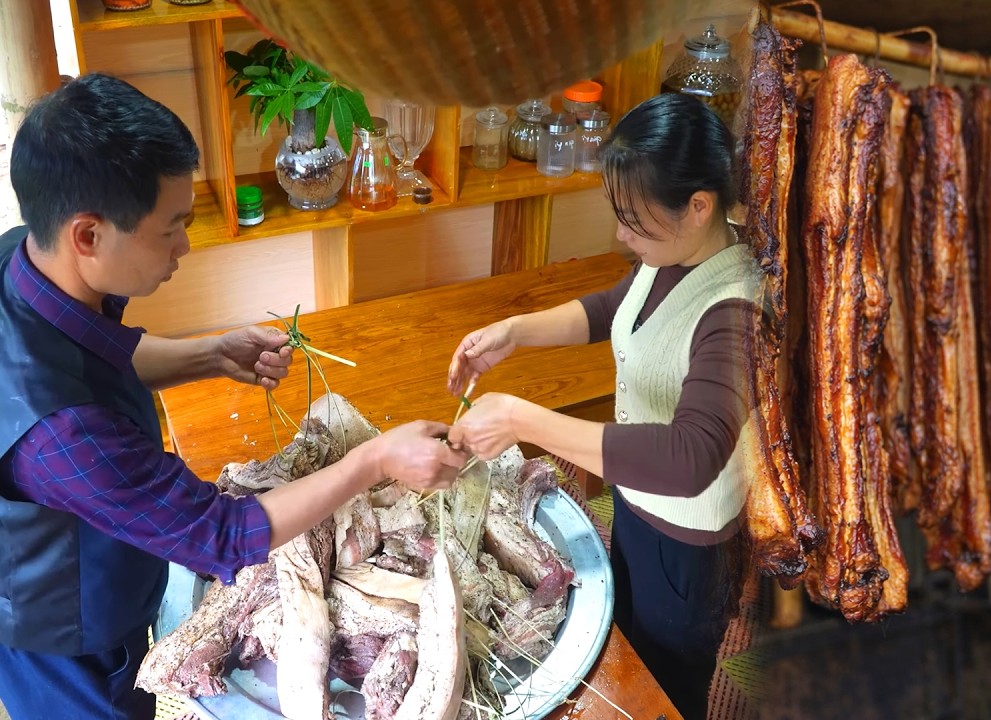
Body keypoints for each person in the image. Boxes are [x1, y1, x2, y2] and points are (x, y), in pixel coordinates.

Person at [0, 73, 469, 720]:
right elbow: (224, 535)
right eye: (170, 230)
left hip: (82, 555)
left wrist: (210, 354)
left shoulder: (24, 261)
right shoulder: (63, 435)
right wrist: (374, 461)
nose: (184, 247)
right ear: (88, 235)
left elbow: (98, 354)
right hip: (63, 631)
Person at [445, 92, 760, 719]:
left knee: (664, 691)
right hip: (637, 506)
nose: (620, 234)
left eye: (634, 219)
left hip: (690, 546)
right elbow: (619, 308)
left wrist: (523, 422)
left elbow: (691, 457)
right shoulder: (674, 250)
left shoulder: (737, 309)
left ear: (699, 206)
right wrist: (515, 330)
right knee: (625, 649)